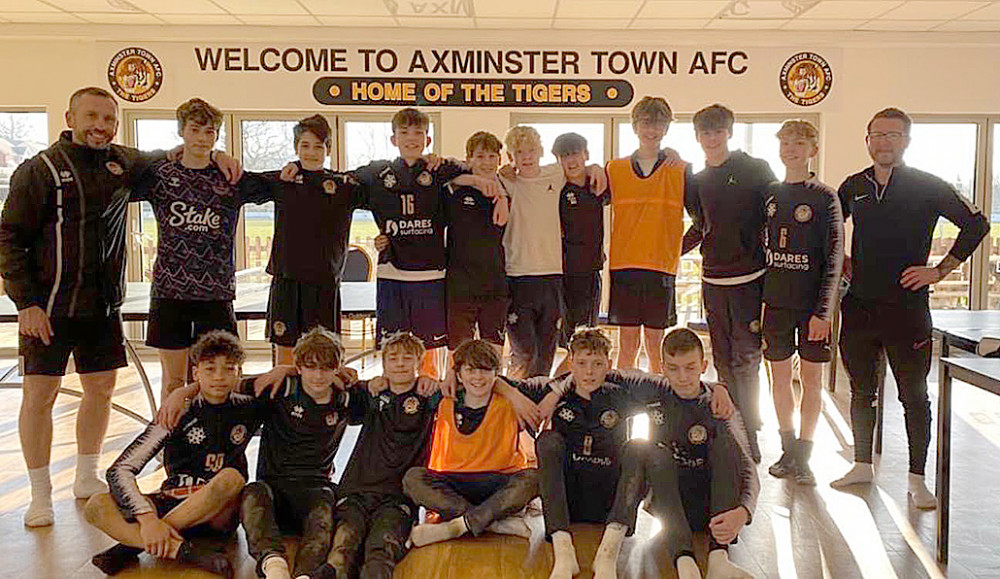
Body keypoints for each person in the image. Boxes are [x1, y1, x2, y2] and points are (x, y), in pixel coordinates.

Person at [0, 87, 239, 527]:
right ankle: (39, 494)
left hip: (102, 306)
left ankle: (87, 475)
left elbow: (182, 151)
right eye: (91, 116)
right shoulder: (39, 170)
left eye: (108, 119)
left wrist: (218, 151)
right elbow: (9, 236)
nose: (100, 125)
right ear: (71, 116)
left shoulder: (124, 162)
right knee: (40, 396)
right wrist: (26, 302)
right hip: (47, 307)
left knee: (101, 391)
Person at [831, 108, 988, 508]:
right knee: (862, 390)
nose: (884, 141)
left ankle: (917, 480)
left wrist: (939, 271)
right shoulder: (853, 186)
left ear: (907, 140)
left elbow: (977, 225)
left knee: (914, 396)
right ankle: (862, 463)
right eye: (876, 134)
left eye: (893, 135)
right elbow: (827, 228)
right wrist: (842, 260)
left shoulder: (928, 186)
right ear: (867, 140)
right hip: (860, 307)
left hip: (907, 309)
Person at [528, 327, 734, 579]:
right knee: (547, 440)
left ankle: (607, 557)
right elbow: (498, 380)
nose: (589, 371)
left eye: (597, 364)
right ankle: (563, 552)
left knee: (639, 446)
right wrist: (552, 392)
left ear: (609, 365)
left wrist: (718, 387)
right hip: (568, 501)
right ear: (571, 363)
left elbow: (685, 383)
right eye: (581, 364)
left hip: (611, 501)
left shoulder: (623, 391)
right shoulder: (553, 390)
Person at [82, 331, 262, 577]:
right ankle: (181, 549)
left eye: (228, 369)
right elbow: (120, 469)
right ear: (195, 373)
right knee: (95, 505)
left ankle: (130, 547)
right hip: (171, 501)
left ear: (238, 373)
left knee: (232, 477)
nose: (219, 377)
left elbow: (293, 382)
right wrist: (147, 520)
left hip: (216, 513)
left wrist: (286, 370)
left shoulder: (248, 406)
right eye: (210, 370)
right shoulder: (175, 412)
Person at [131, 97, 272, 402]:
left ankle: (218, 440)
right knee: (174, 381)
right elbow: (123, 166)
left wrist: (222, 156)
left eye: (209, 133)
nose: (202, 138)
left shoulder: (230, 178)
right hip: (171, 292)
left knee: (222, 379)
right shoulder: (161, 175)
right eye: (195, 130)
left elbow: (277, 185)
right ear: (182, 131)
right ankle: (172, 443)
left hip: (215, 293)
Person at [592, 328, 759, 579]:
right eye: (673, 368)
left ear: (704, 365)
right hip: (666, 499)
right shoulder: (652, 387)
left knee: (726, 444)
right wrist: (548, 394)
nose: (682, 377)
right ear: (662, 367)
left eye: (690, 368)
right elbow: (596, 373)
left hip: (710, 507)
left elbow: (747, 465)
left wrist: (744, 511)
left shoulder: (718, 404)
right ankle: (609, 554)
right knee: (640, 447)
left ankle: (718, 560)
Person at [351, 108, 497, 379]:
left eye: (418, 132)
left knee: (430, 351)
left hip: (430, 275)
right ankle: (394, 403)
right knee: (393, 347)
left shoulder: (439, 168)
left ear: (428, 140)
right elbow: (336, 185)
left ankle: (429, 405)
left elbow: (478, 169)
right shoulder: (376, 172)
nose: (411, 138)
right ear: (393, 139)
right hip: (391, 274)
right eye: (404, 132)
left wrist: (476, 180)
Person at [683, 103, 777, 462]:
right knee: (722, 360)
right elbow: (700, 226)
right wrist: (666, 251)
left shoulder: (755, 169)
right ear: (697, 137)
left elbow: (778, 212)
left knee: (747, 358)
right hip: (712, 279)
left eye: (717, 130)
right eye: (704, 132)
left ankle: (750, 431)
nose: (711, 137)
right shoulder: (697, 180)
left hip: (750, 279)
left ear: (729, 132)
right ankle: (729, 428)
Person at [763, 120, 844, 486]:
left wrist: (823, 312)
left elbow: (835, 258)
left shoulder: (825, 196)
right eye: (784, 143)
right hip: (776, 305)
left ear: (812, 149)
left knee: (812, 381)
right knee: (779, 380)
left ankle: (806, 454)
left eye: (798, 143)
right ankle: (787, 449)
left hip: (812, 309)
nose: (790, 149)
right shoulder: (770, 194)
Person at [403, 339, 538, 547]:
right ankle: (490, 523)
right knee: (413, 478)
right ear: (458, 375)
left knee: (534, 477)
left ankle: (457, 526)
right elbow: (408, 388)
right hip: (452, 482)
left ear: (496, 374)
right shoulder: (442, 398)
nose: (477, 377)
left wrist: (509, 391)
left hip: (498, 480)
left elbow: (558, 383)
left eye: (485, 371)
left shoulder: (513, 397)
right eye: (471, 370)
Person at [500, 125, 606, 379]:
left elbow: (581, 166)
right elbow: (468, 170)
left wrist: (596, 167)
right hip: (517, 275)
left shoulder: (555, 174)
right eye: (519, 152)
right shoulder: (504, 180)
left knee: (547, 354)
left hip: (552, 276)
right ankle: (515, 412)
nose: (526, 157)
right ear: (511, 156)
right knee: (524, 354)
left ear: (540, 152)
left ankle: (540, 412)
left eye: (531, 151)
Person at [606, 96, 692, 374]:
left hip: (660, 267)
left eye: (658, 124)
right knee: (627, 345)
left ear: (666, 128)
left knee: (656, 346)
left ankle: (659, 409)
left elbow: (704, 220)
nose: (651, 130)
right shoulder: (614, 169)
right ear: (634, 126)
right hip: (624, 265)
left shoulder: (680, 169)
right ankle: (621, 411)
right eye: (646, 123)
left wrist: (676, 248)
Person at [264, 115, 358, 365]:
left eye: (318, 146)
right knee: (285, 360)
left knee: (324, 357)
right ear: (296, 148)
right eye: (305, 145)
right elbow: (241, 179)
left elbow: (381, 185)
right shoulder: (282, 181)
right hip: (287, 282)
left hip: (324, 284)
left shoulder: (343, 185)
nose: (311, 152)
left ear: (328, 149)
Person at [442, 131, 509, 366]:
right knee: (458, 358)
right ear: (468, 160)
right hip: (460, 286)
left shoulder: (507, 191)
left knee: (494, 359)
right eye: (480, 156)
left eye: (492, 156)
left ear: (500, 160)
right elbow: (444, 173)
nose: (487, 162)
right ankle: (454, 401)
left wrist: (501, 195)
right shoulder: (455, 190)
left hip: (495, 285)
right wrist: (472, 179)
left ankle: (496, 402)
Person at [553, 132, 608, 374]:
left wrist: (598, 168)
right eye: (565, 156)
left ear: (585, 154)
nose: (571, 160)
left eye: (575, 153)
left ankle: (572, 383)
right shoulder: (555, 186)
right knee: (565, 339)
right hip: (559, 273)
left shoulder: (598, 183)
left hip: (589, 272)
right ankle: (559, 383)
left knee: (585, 335)